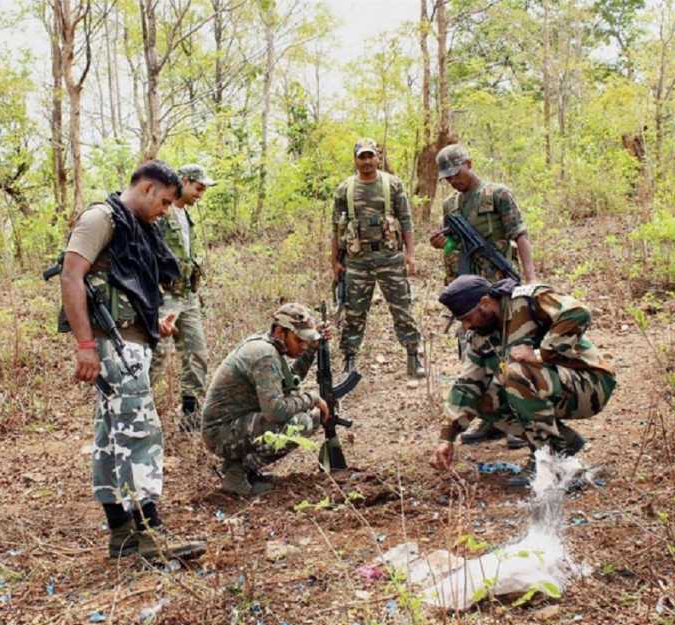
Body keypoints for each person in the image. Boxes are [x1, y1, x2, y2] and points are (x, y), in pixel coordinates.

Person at [60, 160, 206, 562]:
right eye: (163, 202)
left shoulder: (135, 227)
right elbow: (72, 277)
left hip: (129, 339)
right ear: (145, 189)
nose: (164, 211)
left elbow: (121, 285)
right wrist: (85, 344)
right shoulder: (100, 218)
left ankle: (121, 533)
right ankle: (151, 535)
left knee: (111, 437)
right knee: (140, 434)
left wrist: (151, 320)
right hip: (113, 346)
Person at [429, 275, 617, 480]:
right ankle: (558, 445)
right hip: (553, 387)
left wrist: (541, 354)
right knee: (483, 398)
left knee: (514, 372)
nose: (466, 326)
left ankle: (553, 462)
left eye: (467, 318)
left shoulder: (527, 301)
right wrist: (446, 438)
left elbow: (578, 312)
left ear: (485, 302)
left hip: (590, 383)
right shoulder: (480, 336)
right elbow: (467, 386)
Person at [429, 143, 537, 447]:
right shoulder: (451, 206)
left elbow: (520, 234)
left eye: (456, 173)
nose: (453, 180)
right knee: (473, 356)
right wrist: (440, 242)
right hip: (468, 296)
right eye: (448, 177)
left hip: (500, 291)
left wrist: (530, 279)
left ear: (469, 164)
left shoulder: (498, 194)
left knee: (507, 354)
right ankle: (492, 421)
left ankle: (519, 421)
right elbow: (449, 242)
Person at [201, 303, 329, 497]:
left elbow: (289, 382)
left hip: (231, 426)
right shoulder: (264, 355)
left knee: (307, 417)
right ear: (280, 331)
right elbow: (276, 411)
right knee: (300, 424)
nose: (303, 345)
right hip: (220, 432)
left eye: (306, 341)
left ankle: (243, 470)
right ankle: (237, 474)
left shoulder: (268, 347)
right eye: (299, 340)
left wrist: (311, 351)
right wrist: (311, 398)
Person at [331, 138, 425, 379]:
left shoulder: (392, 185)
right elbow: (336, 229)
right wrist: (335, 262)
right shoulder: (345, 189)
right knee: (353, 313)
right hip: (357, 261)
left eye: (370, 156)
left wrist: (410, 255)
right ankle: (349, 361)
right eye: (361, 157)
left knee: (402, 309)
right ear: (355, 160)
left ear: (378, 157)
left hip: (390, 258)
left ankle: (414, 357)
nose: (366, 161)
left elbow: (406, 220)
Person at [150, 163, 215, 432]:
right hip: (164, 297)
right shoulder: (161, 214)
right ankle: (136, 412)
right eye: (198, 187)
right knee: (157, 358)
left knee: (196, 354)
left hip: (187, 296)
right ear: (185, 182)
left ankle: (190, 416)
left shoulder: (187, 216)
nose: (201, 194)